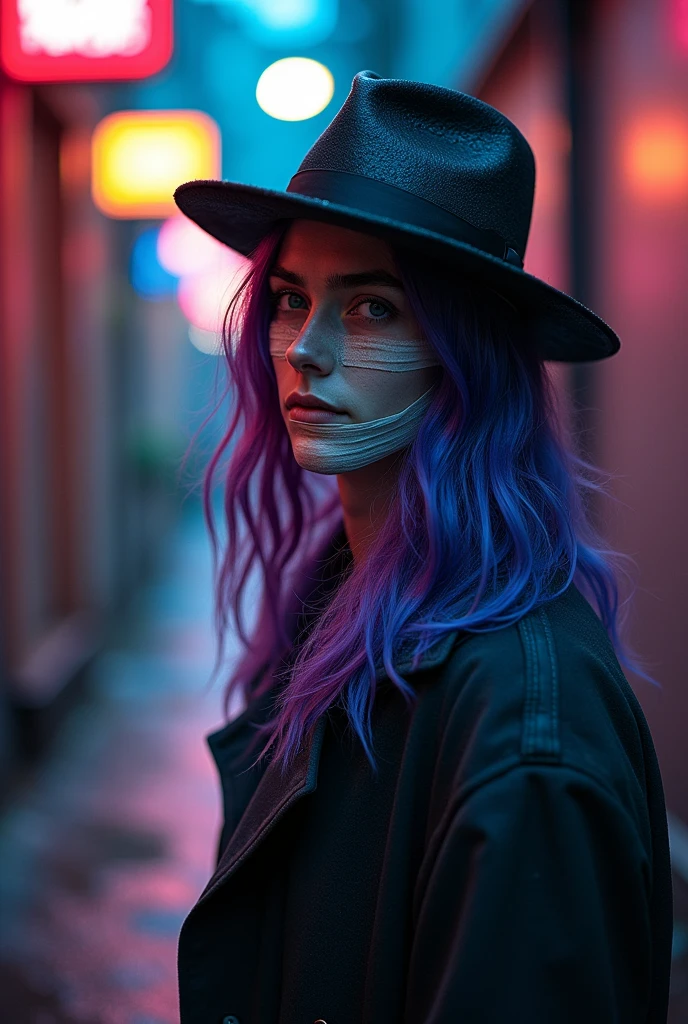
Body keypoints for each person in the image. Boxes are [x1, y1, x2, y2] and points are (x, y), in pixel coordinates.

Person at [173, 71, 673, 1023]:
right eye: (288, 297)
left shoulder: (529, 726)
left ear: (468, 356)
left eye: (372, 308)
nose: (306, 347)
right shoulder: (341, 601)